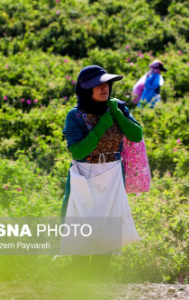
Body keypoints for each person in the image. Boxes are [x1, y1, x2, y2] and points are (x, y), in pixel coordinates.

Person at [61, 65, 143, 282]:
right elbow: (78, 150)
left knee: (106, 236)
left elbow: (136, 134)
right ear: (86, 90)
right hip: (84, 175)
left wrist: (117, 113)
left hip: (112, 174)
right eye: (98, 85)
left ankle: (97, 288)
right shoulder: (75, 116)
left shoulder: (118, 108)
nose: (104, 87)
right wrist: (101, 126)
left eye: (106, 83)